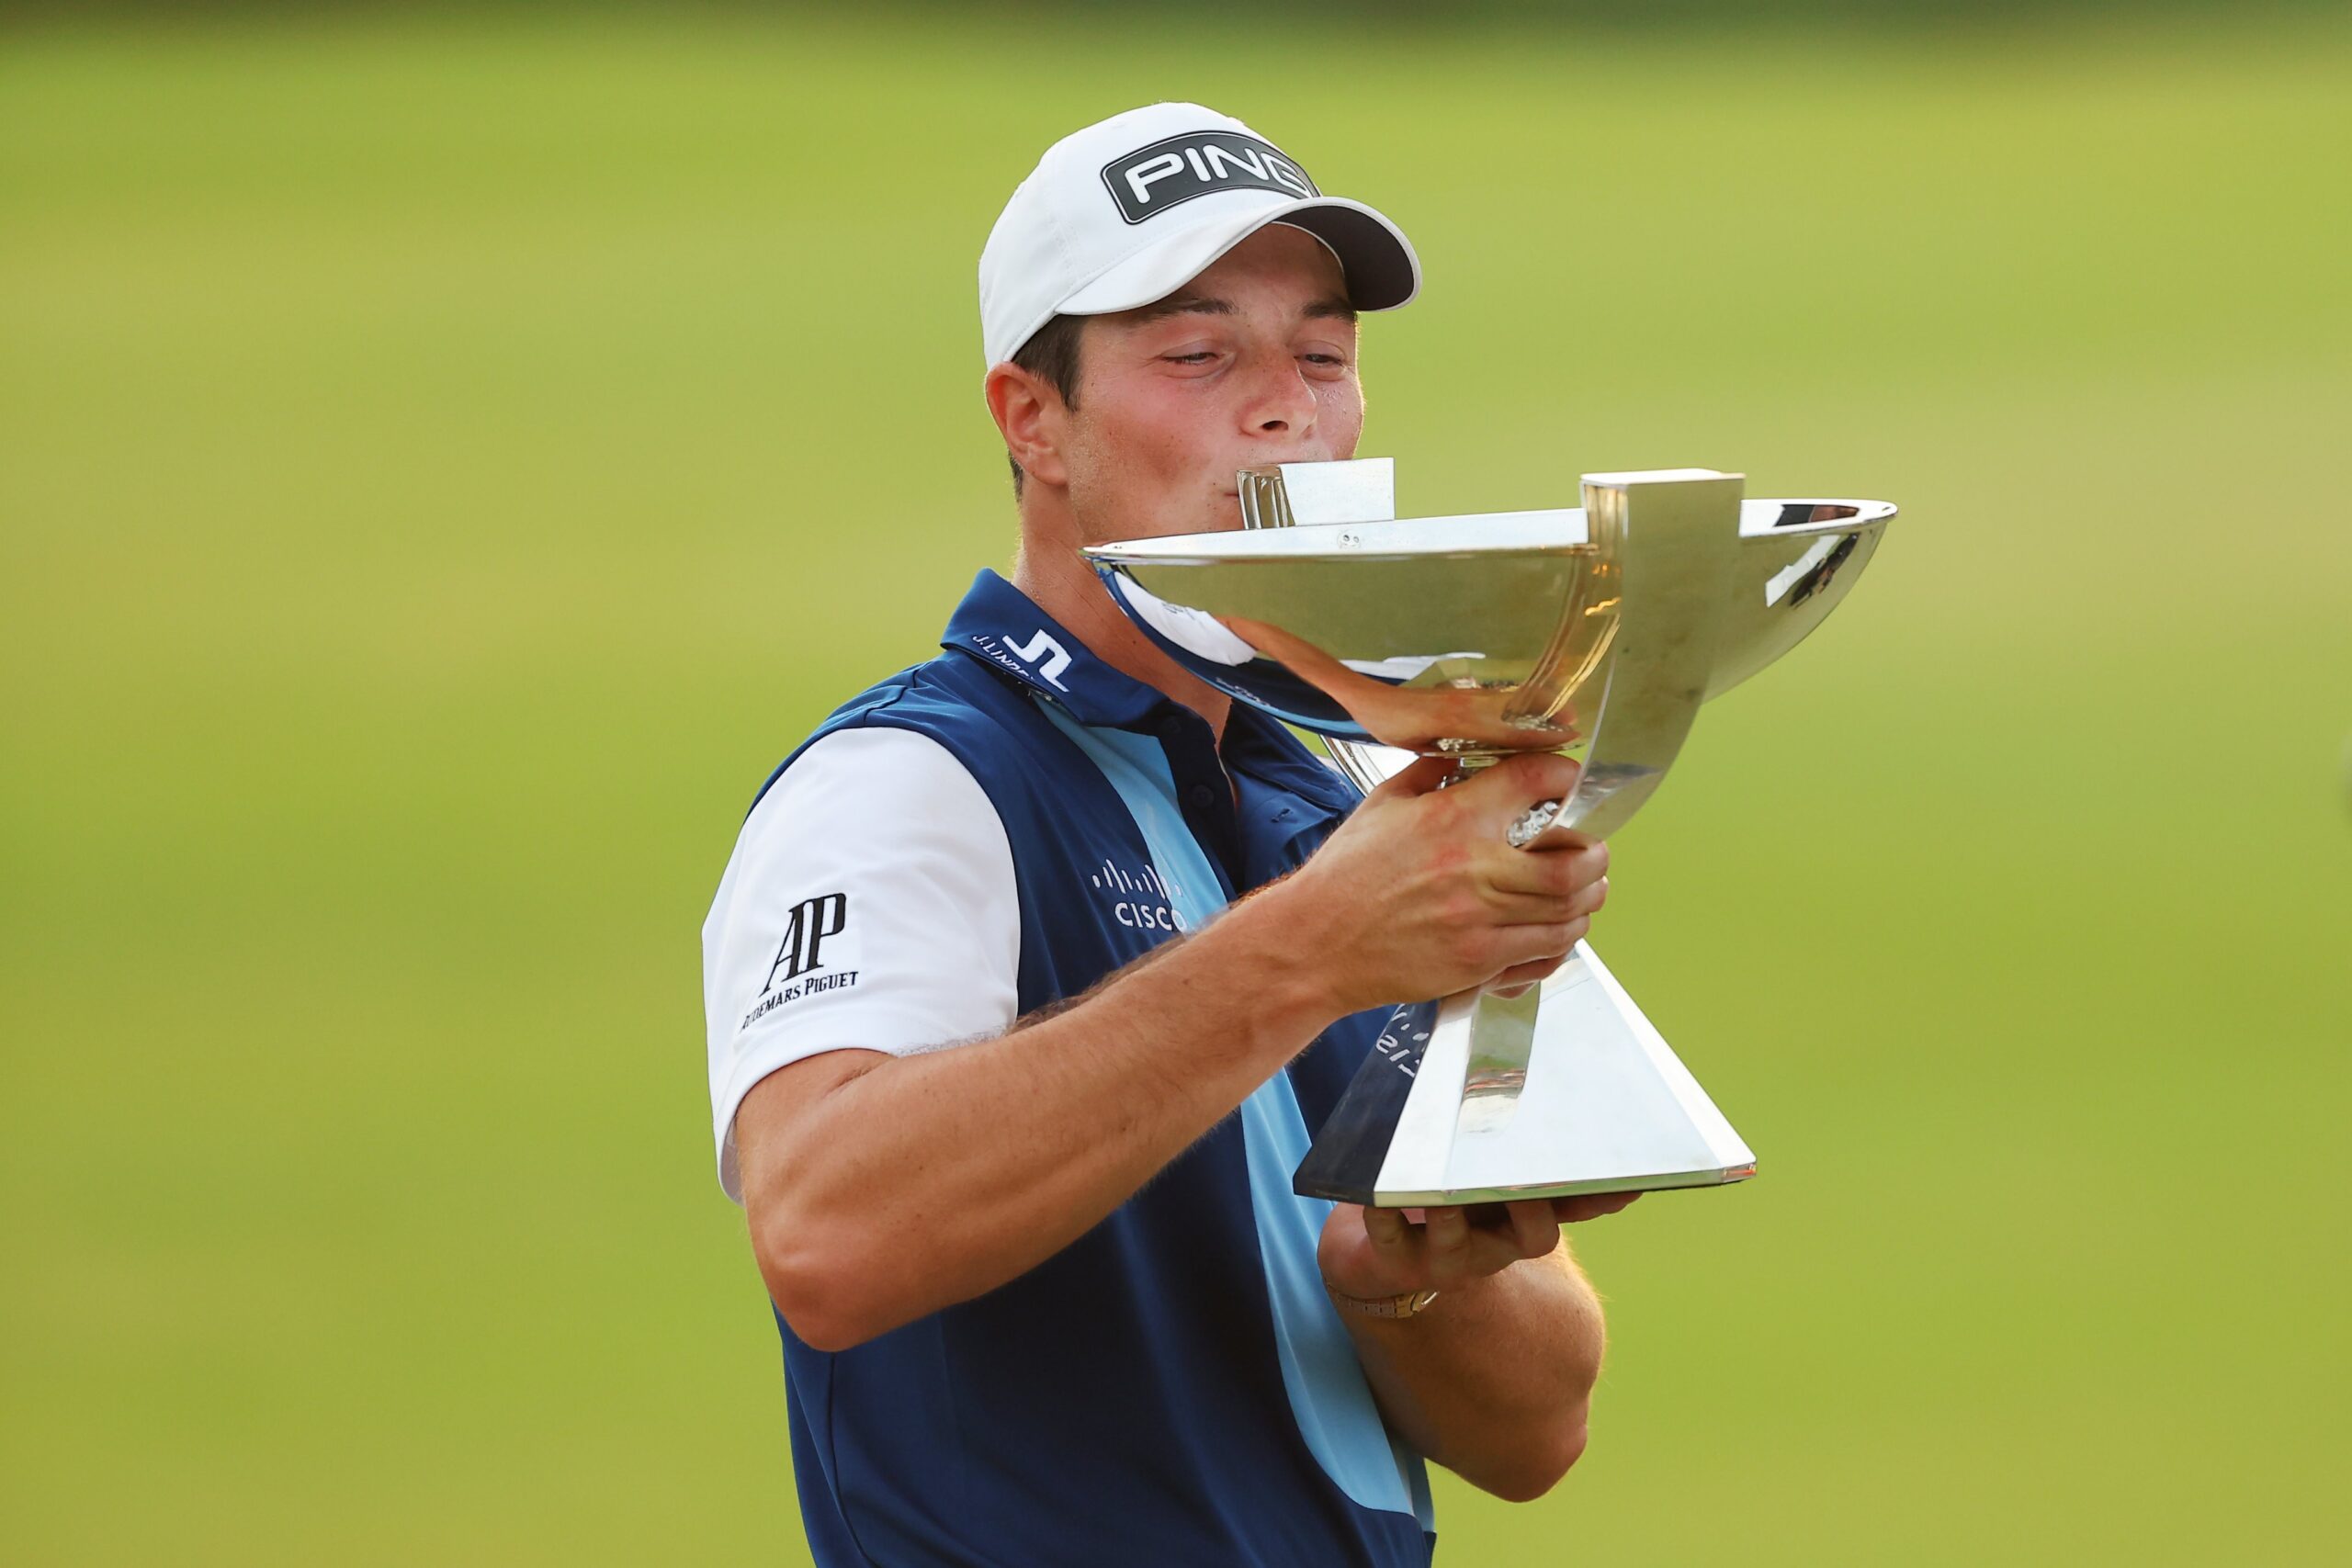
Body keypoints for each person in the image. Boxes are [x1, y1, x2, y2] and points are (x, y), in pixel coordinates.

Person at [701, 102, 1628, 1567]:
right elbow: (825, 1234)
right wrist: (1308, 955)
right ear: (1033, 420)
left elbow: (1538, 1433)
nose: (1283, 408)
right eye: (1199, 354)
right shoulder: (911, 780)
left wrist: (1405, 1283)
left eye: (1321, 355)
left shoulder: (1337, 797)